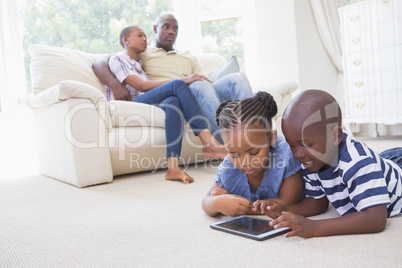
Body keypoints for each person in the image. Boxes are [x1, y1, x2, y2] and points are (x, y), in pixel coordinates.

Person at [259, 89, 402, 238]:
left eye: (307, 145)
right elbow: (317, 203)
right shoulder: (311, 159)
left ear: (336, 136)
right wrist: (285, 210)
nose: (298, 154)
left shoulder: (358, 164)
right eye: (292, 145)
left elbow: (375, 219)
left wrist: (315, 227)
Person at [92, 14, 254, 144]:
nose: (171, 31)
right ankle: (228, 142)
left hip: (201, 90)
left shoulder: (188, 56)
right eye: (166, 27)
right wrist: (114, 84)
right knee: (198, 84)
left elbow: (203, 80)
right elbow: (100, 62)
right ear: (156, 29)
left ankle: (254, 135)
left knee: (237, 78)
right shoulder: (143, 52)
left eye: (175, 28)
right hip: (180, 93)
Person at [108, 25, 227, 184]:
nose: (145, 39)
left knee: (173, 102)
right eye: (139, 35)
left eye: (145, 36)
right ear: (126, 40)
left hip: (146, 104)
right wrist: (184, 80)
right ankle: (208, 141)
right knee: (178, 84)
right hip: (129, 106)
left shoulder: (140, 64)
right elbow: (141, 86)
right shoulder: (118, 59)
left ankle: (173, 168)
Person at [201, 91, 304, 217]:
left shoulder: (286, 154)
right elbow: (206, 201)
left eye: (254, 152)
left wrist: (242, 208)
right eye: (234, 154)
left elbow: (287, 202)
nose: (245, 162)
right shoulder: (229, 168)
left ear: (271, 138)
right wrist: (217, 203)